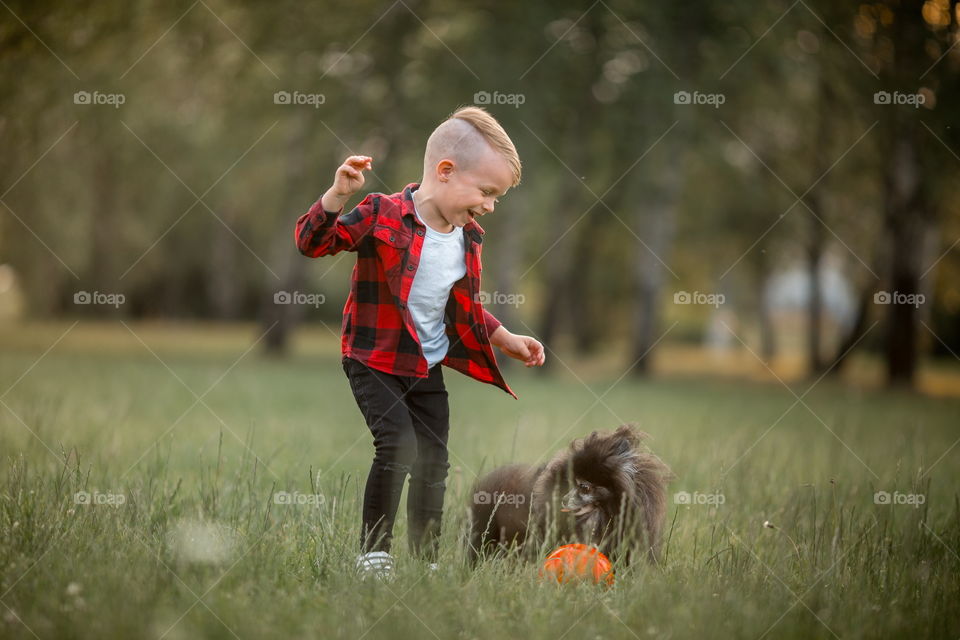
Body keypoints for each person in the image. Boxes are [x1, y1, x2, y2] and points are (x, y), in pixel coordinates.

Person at [294, 106, 545, 579]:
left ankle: (426, 560)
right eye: (487, 192)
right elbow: (313, 243)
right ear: (445, 172)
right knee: (397, 447)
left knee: (434, 460)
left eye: (498, 197)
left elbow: (462, 305)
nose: (491, 204)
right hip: (373, 357)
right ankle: (375, 556)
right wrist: (335, 197)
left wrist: (505, 336)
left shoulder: (467, 238)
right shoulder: (381, 213)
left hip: (426, 362)